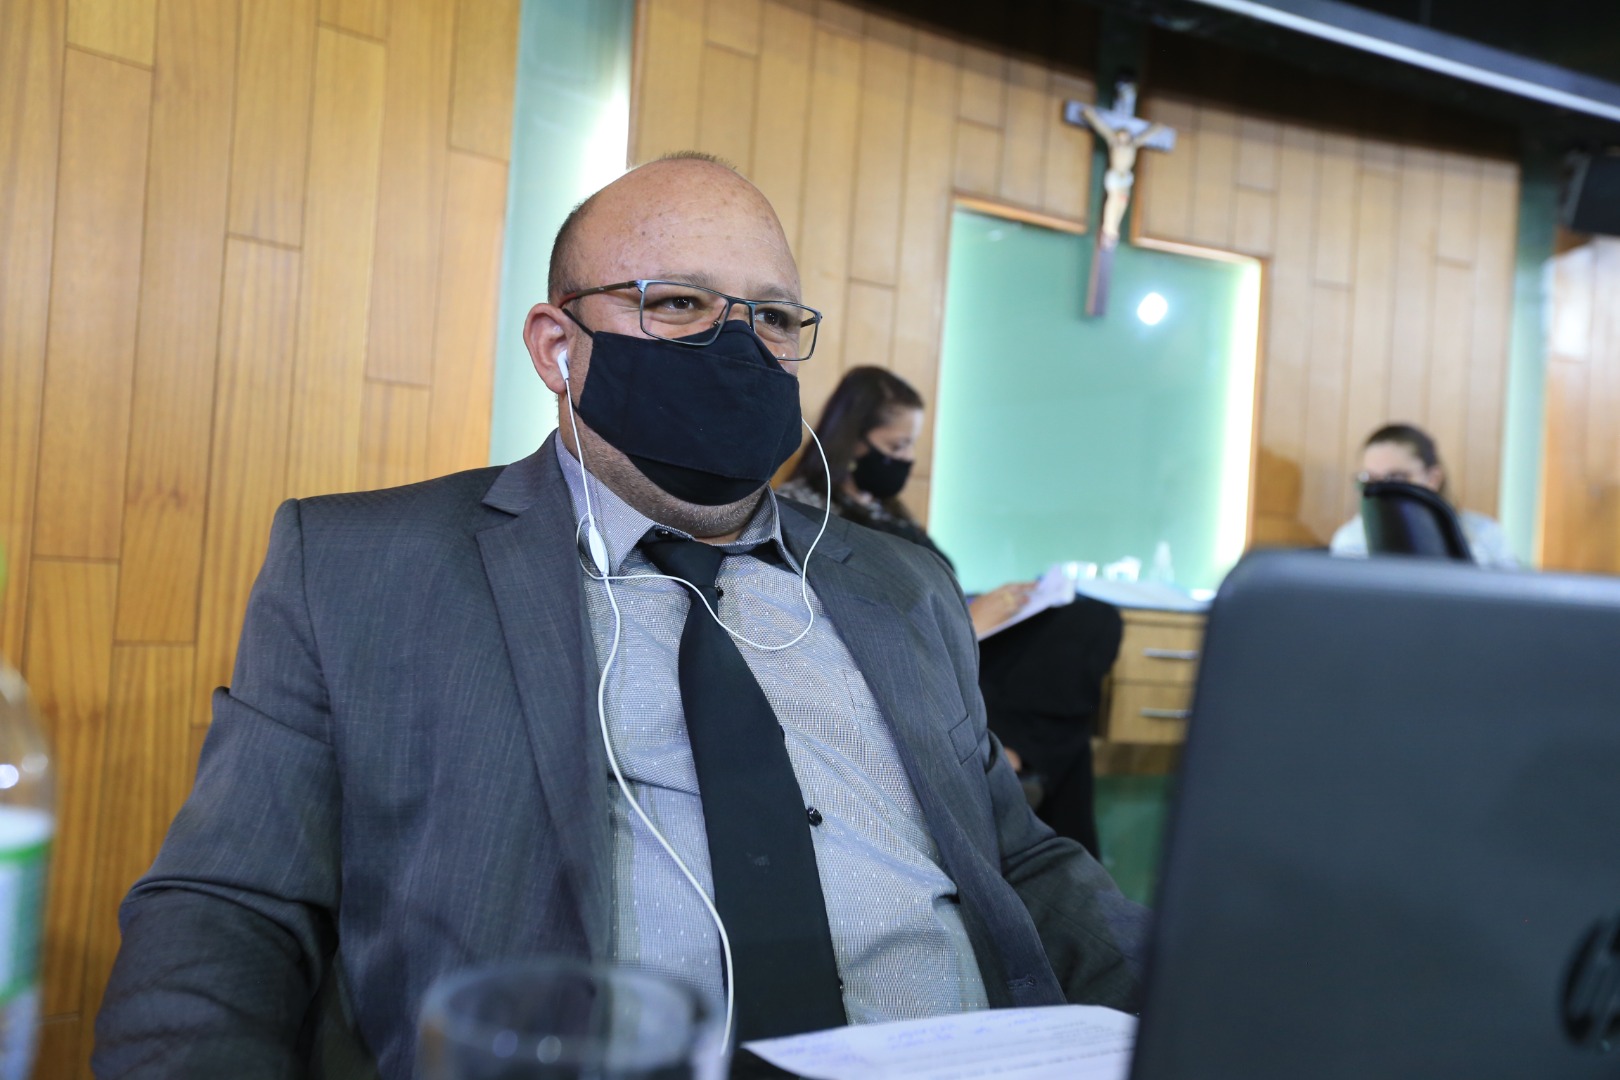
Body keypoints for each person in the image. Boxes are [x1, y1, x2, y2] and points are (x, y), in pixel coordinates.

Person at [94, 155, 1145, 1078]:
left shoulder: (902, 588)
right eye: (678, 303)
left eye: (773, 318)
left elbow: (1023, 863)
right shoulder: (362, 570)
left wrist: (1208, 1014)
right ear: (558, 346)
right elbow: (230, 908)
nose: (738, 345)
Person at [779, 367, 1123, 859]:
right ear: (854, 440)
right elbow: (841, 625)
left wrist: (999, 607)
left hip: (957, 641)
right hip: (911, 665)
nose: (907, 460)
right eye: (897, 446)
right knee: (1067, 743)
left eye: (911, 446)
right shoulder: (803, 512)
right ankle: (1023, 767)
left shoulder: (888, 510)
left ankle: (1019, 752)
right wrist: (967, 626)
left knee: (1090, 621)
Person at [1330, 423, 1518, 568]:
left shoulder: (1486, 534)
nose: (1381, 489)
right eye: (1370, 478)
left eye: (1396, 477)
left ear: (1433, 478)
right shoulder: (1350, 540)